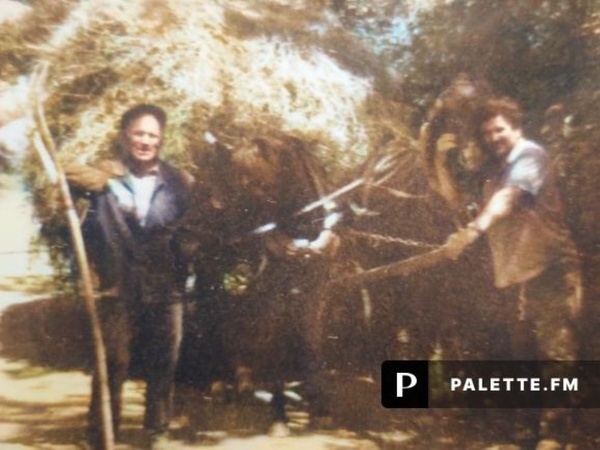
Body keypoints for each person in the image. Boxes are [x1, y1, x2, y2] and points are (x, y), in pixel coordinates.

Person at [446, 97, 582, 450]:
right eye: (487, 133)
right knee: (522, 355)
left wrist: (474, 230)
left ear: (517, 128)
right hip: (514, 274)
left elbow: (508, 200)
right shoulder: (496, 171)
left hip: (549, 268)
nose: (493, 137)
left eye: (499, 130)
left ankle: (555, 435)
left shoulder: (530, 156)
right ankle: (527, 430)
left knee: (555, 352)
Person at [66, 104, 192, 449]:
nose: (145, 141)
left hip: (165, 284)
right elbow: (65, 173)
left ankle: (157, 431)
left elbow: (189, 226)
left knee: (164, 359)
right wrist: (104, 181)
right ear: (125, 137)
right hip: (118, 283)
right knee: (113, 360)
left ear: (161, 139)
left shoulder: (178, 181)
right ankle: (102, 434)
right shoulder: (106, 173)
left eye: (152, 135)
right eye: (138, 133)